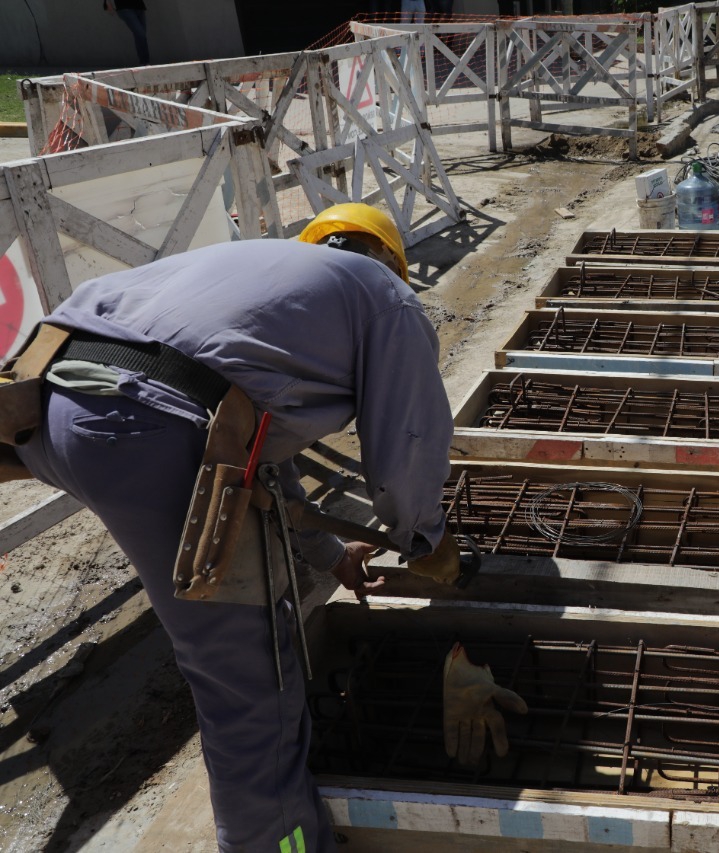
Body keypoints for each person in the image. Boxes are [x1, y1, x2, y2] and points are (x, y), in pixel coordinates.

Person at [2, 204, 525, 851]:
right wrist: (430, 544)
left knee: (246, 641)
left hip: (39, 392)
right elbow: (405, 455)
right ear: (392, 260)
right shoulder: (388, 299)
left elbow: (255, 463)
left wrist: (331, 555)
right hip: (149, 424)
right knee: (253, 682)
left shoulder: (270, 280)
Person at [104, 0, 150, 66]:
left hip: (139, 6)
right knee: (140, 34)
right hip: (124, 8)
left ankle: (144, 62)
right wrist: (108, 3)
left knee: (140, 36)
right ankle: (145, 62)